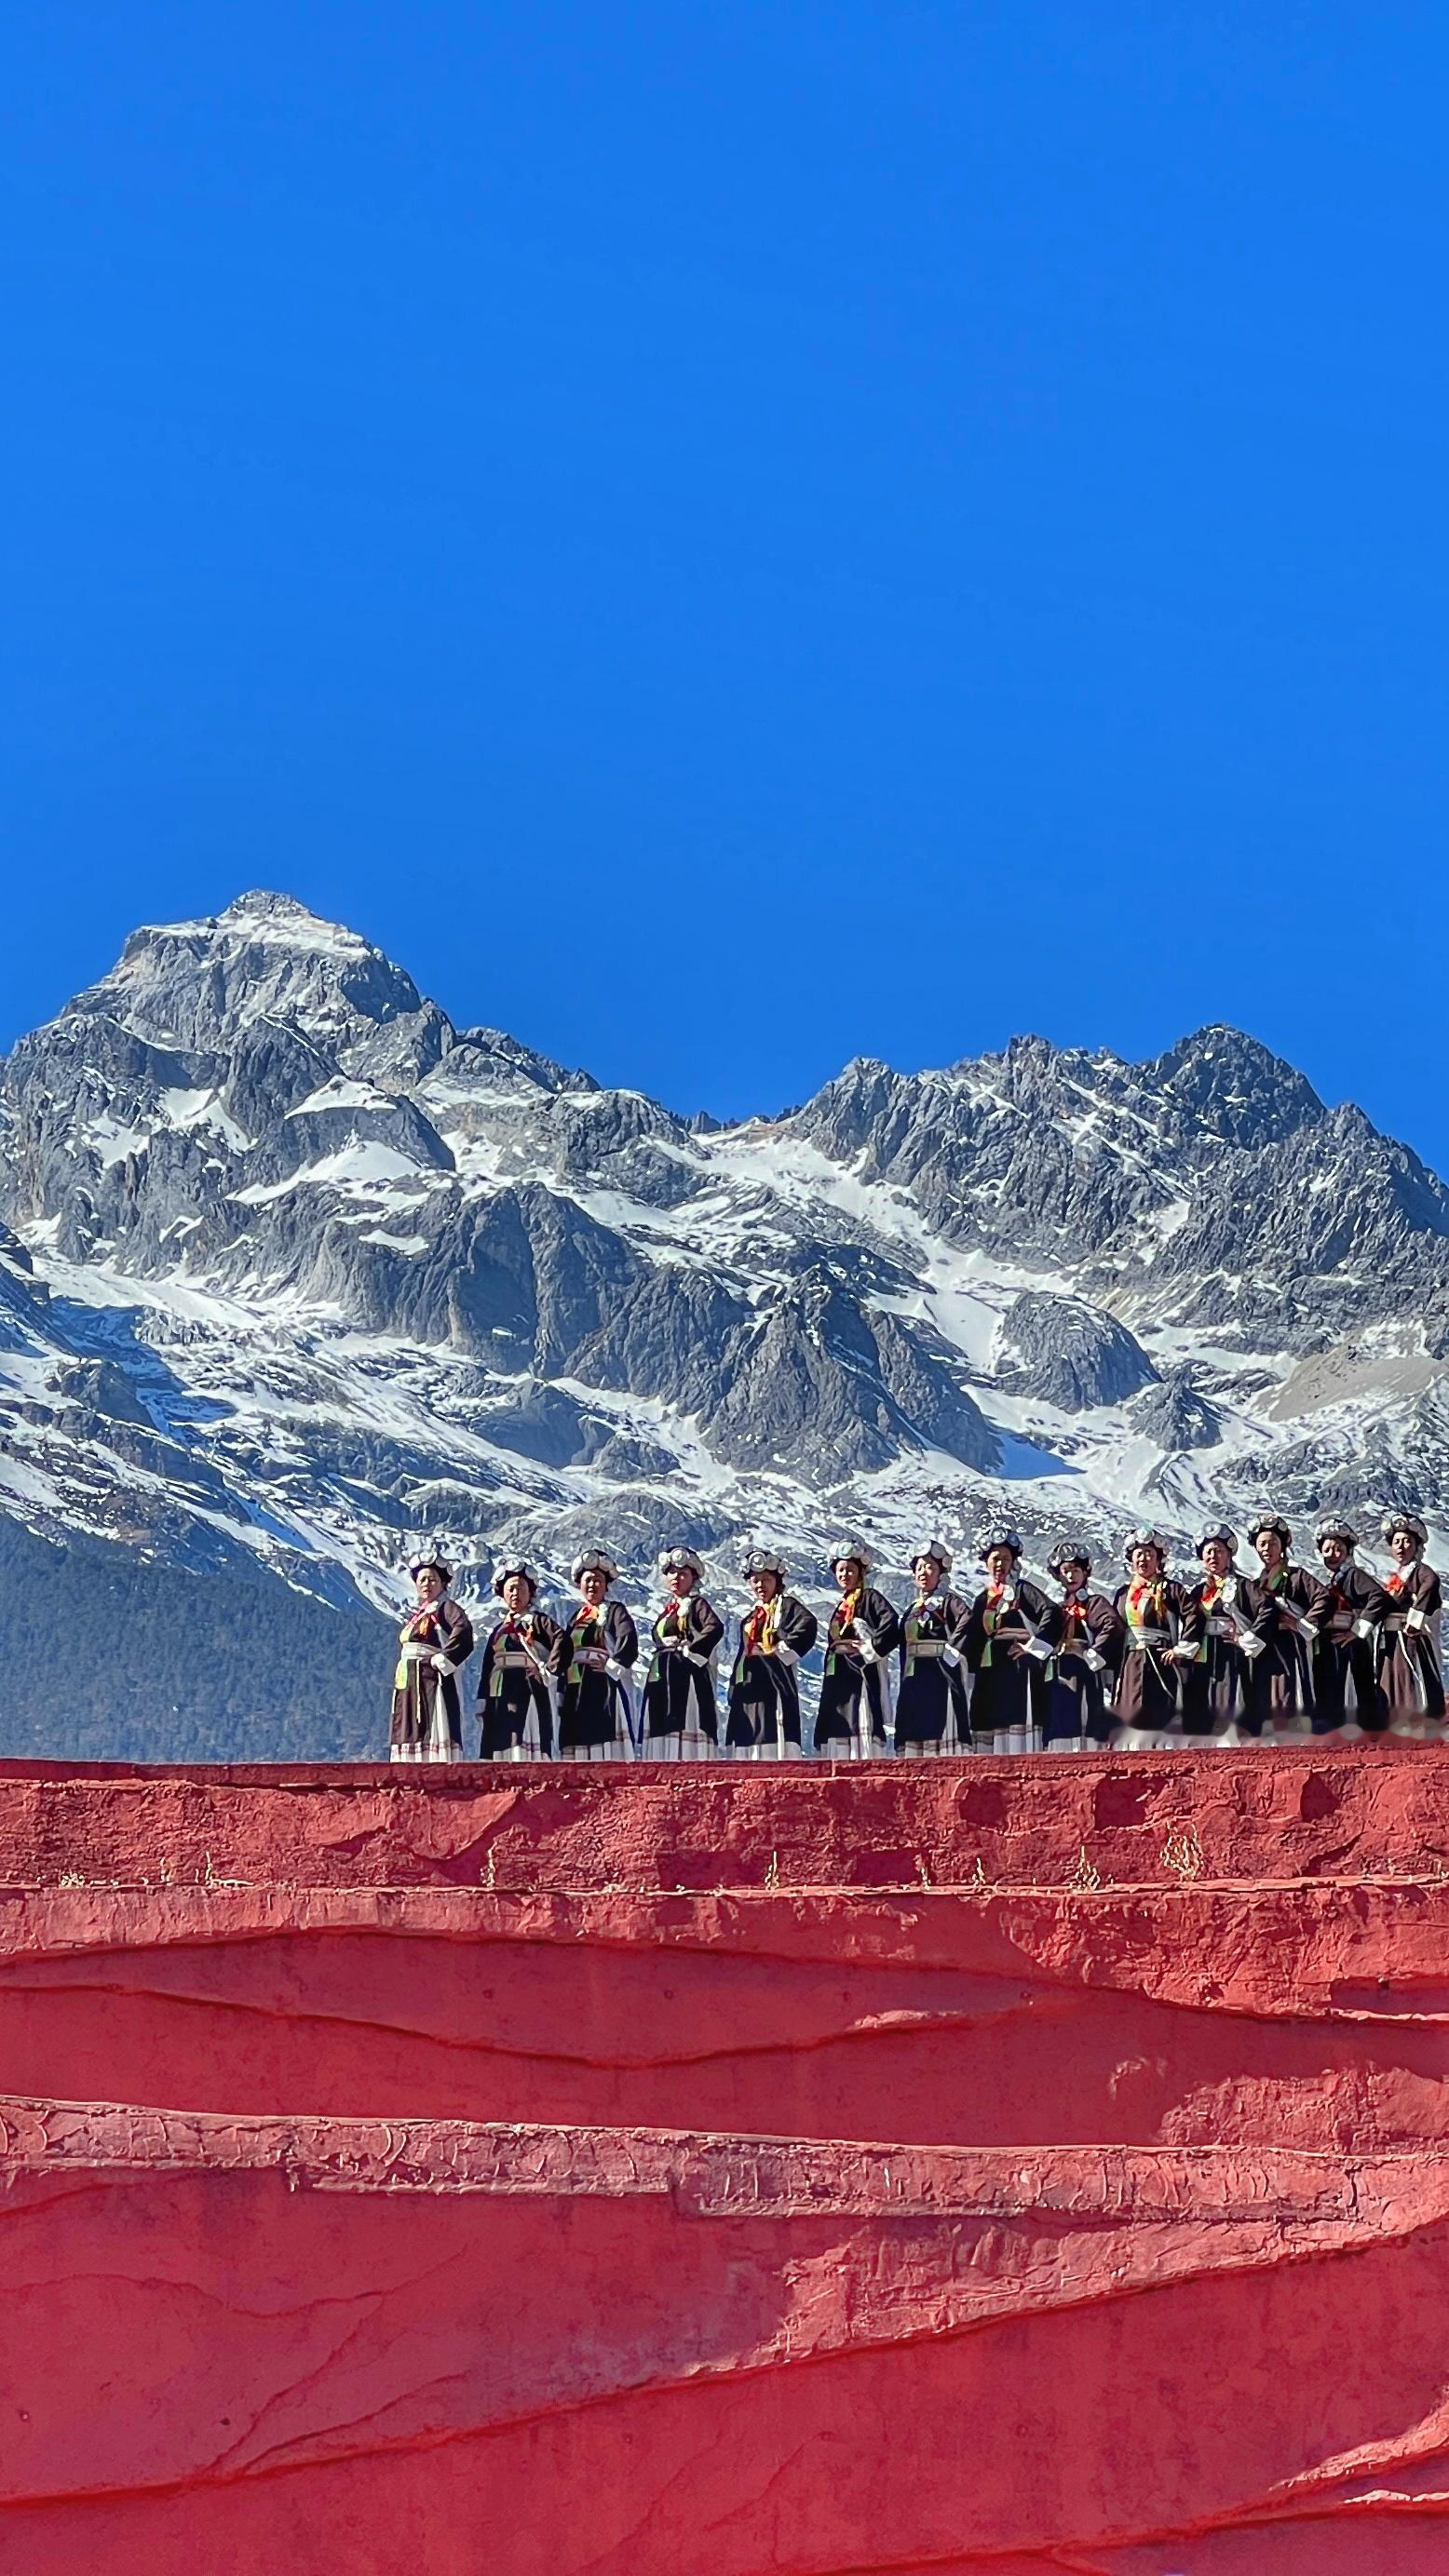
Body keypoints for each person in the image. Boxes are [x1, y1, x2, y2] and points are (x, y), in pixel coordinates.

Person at [966, 1528, 1060, 1753]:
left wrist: (1033, 1647)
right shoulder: (982, 1599)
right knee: (990, 1719)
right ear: (987, 1563)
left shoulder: (1023, 1590)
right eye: (995, 1559)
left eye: (1006, 1558)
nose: (1000, 1564)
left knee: (1019, 1716)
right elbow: (974, 1638)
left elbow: (1052, 1612)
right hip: (991, 1670)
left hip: (1019, 1668)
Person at [725, 1551, 819, 1759]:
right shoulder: (751, 1617)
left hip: (774, 1680)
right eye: (755, 1581)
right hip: (749, 1683)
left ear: (777, 1580)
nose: (760, 1585)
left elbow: (808, 1624)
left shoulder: (786, 1606)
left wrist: (778, 1650)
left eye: (766, 1580)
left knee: (773, 1725)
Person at [1111, 1531, 1198, 1747]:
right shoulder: (1123, 1594)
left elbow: (1192, 1615)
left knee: (1159, 1713)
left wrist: (1180, 1649)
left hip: (1160, 1661)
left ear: (1159, 1559)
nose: (1143, 1559)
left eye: (1149, 1553)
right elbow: (1114, 1628)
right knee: (1129, 1713)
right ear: (1131, 1559)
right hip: (1130, 1663)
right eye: (1139, 1554)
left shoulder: (1171, 1589)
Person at [549, 1549, 639, 1760]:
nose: (592, 1585)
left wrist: (611, 1665)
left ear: (606, 1585)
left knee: (602, 1729)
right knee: (575, 1732)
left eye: (598, 1580)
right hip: (575, 1685)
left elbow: (628, 1639)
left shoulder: (615, 1611)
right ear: (579, 1585)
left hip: (601, 1682)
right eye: (587, 1580)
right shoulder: (575, 1618)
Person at [1242, 1516, 1325, 1739]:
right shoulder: (1257, 1582)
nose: (1267, 1548)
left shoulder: (1297, 1576)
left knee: (1291, 1686)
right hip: (1266, 1645)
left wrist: (1302, 1625)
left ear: (1283, 1545)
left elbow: (1323, 1599)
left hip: (1291, 1643)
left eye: (1273, 1543)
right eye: (1262, 1544)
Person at [389, 1553, 475, 1764]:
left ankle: (433, 1760)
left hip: (430, 1678)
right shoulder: (421, 1613)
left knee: (430, 1719)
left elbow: (463, 1630)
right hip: (410, 1680)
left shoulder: (446, 1608)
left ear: (443, 1583)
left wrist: (444, 1659)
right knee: (409, 1721)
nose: (427, 1583)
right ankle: (409, 1762)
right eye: (423, 1579)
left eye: (433, 1579)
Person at [641, 1546, 724, 1759]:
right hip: (663, 1671)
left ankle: (686, 1757)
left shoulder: (697, 1605)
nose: (676, 1578)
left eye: (683, 1574)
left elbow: (714, 1627)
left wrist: (692, 1651)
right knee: (661, 1716)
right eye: (672, 1573)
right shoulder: (668, 1609)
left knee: (684, 1715)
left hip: (685, 1672)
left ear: (693, 1578)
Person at [816, 1547, 901, 1757]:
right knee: (838, 1720)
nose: (845, 1575)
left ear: (860, 1572)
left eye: (850, 1569)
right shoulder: (842, 1606)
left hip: (859, 1671)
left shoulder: (870, 1598)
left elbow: (890, 1625)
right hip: (839, 1673)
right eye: (840, 1570)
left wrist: (867, 1651)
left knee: (860, 1715)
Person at [894, 1542, 972, 1755]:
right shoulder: (911, 1609)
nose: (923, 1573)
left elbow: (968, 1618)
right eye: (919, 1568)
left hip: (941, 1673)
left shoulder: (949, 1602)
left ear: (941, 1573)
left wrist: (953, 1650)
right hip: (914, 1675)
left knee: (942, 1720)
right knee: (913, 1723)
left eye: (930, 1567)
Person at [1042, 1544, 1124, 1748]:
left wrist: (1094, 1653)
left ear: (1085, 1572)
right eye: (1066, 1571)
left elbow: (1111, 1624)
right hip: (1060, 1667)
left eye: (1075, 1570)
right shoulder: (1058, 1608)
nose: (1071, 1576)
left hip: (1084, 1668)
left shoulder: (1094, 1603)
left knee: (1085, 1712)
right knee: (1060, 1711)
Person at [1312, 1520, 1387, 1737]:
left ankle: (1364, 1731)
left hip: (1350, 1640)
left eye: (1338, 1549)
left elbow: (1378, 1597)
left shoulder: (1354, 1576)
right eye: (1327, 1549)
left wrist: (1358, 1630)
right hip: (1327, 1639)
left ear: (1348, 1551)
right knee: (1328, 1683)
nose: (1333, 1554)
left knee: (1356, 1683)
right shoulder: (1322, 1578)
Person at [476, 1561, 559, 1759]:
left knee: (524, 1735)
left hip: (527, 1686)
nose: (515, 1593)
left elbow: (562, 1642)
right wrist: (483, 1698)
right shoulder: (499, 1630)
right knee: (498, 1737)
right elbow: (488, 1666)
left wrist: (549, 1671)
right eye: (510, 1589)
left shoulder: (539, 1621)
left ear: (531, 1592)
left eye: (521, 1588)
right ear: (503, 1594)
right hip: (498, 1690)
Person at [1377, 1511, 1445, 1737]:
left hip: (1411, 1639)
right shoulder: (1396, 1576)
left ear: (1417, 1545)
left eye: (1407, 1541)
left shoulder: (1423, 1573)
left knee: (1412, 1678)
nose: (1401, 1547)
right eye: (1396, 1542)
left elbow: (1430, 1586)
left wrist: (1415, 1620)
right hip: (1393, 1639)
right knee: (1393, 1678)